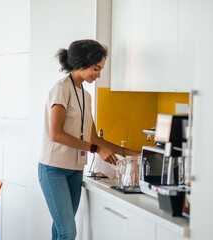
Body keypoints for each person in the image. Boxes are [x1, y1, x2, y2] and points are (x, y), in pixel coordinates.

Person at [38, 39, 139, 240]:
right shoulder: (61, 89)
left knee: (60, 230)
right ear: (82, 63)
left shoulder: (86, 95)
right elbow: (56, 134)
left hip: (75, 170)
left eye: (100, 69)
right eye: (96, 68)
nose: (98, 74)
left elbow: (93, 137)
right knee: (68, 232)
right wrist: (95, 149)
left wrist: (130, 153)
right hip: (53, 169)